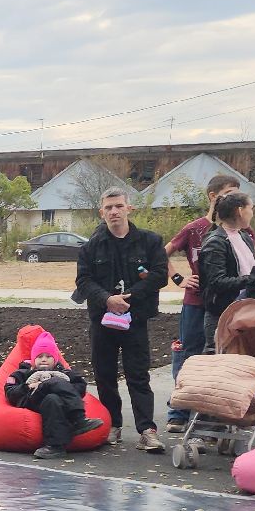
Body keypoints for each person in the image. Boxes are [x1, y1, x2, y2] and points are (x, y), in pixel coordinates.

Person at [73, 187, 168, 451]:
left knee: (138, 375)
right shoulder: (90, 247)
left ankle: (147, 430)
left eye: (118, 206)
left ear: (129, 208)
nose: (114, 211)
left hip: (135, 319)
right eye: (108, 207)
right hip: (102, 321)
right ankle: (112, 425)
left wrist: (130, 297)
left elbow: (160, 274)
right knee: (105, 375)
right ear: (101, 212)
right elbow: (83, 280)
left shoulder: (150, 242)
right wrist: (107, 299)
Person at [164, 174, 244, 433]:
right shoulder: (195, 228)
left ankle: (212, 414)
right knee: (189, 353)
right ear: (213, 196)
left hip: (225, 303)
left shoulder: (240, 228)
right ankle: (179, 410)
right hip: (196, 302)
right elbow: (160, 252)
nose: (236, 199)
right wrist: (179, 278)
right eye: (230, 192)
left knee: (221, 356)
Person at [4, 330, 99, 459]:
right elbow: (10, 392)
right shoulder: (22, 373)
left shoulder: (63, 372)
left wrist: (63, 386)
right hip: (31, 399)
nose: (44, 360)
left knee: (52, 399)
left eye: (48, 357)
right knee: (51, 382)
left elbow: (81, 387)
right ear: (33, 359)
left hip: (53, 402)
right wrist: (28, 386)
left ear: (54, 359)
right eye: (39, 357)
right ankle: (78, 418)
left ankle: (55, 447)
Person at [196, 190, 255, 343]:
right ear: (240, 210)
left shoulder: (244, 236)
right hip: (222, 315)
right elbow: (217, 282)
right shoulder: (216, 242)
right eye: (251, 208)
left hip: (246, 311)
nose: (252, 213)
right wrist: (252, 279)